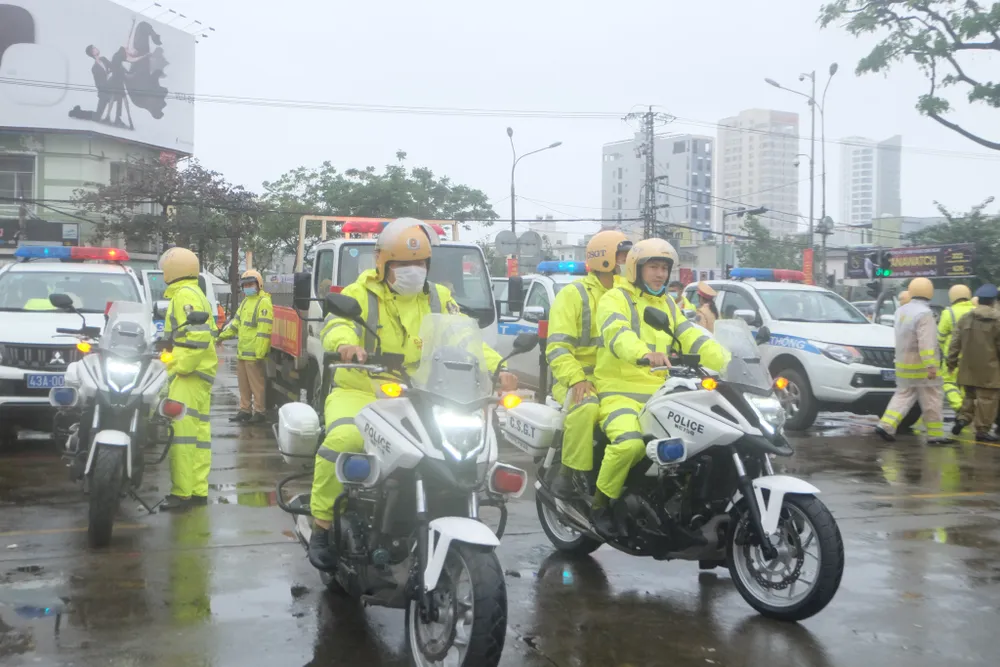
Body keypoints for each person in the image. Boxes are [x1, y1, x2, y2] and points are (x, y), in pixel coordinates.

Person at [308, 218, 518, 569]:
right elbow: (338, 324)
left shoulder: (439, 297)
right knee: (344, 439)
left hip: (421, 393)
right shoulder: (358, 293)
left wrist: (498, 370)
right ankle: (322, 525)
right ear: (383, 263)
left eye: (420, 263)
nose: (413, 271)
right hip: (363, 389)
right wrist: (346, 345)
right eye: (403, 264)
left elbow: (466, 340)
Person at [592, 239, 728, 536]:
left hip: (661, 389)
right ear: (635, 269)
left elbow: (690, 333)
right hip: (619, 390)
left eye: (665, 268)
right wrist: (643, 353)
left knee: (699, 442)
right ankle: (601, 504)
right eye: (653, 267)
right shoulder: (615, 299)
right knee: (629, 444)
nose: (660, 275)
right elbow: (617, 333)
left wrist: (726, 359)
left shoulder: (667, 302)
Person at [546, 230, 632, 499]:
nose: (628, 261)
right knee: (587, 406)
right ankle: (568, 474)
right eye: (622, 256)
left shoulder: (628, 293)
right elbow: (557, 346)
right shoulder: (574, 294)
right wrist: (576, 379)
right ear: (605, 259)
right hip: (577, 379)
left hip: (618, 379)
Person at [159, 247, 219, 510]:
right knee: (198, 437)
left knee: (181, 436)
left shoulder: (184, 294)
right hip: (200, 376)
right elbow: (209, 331)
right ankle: (197, 491)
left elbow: (196, 336)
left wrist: (177, 367)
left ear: (174, 269)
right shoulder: (197, 293)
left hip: (188, 375)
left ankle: (182, 493)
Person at [874, 277, 951, 445]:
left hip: (902, 364)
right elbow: (927, 342)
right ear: (929, 292)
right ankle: (935, 435)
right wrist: (931, 365)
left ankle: (886, 425)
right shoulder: (924, 313)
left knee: (904, 394)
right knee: (932, 397)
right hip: (921, 366)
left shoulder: (901, 311)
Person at [218, 270, 273, 424]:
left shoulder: (263, 302)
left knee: (257, 385)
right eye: (245, 285)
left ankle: (260, 411)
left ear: (259, 284)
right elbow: (235, 324)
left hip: (254, 353)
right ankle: (245, 410)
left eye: (251, 284)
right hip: (243, 352)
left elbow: (264, 329)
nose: (248, 287)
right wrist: (220, 336)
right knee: (243, 385)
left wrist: (260, 352)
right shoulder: (245, 302)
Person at [948, 284, 1000, 442]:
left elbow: (954, 343)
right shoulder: (997, 320)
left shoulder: (966, 318)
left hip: (968, 368)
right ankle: (982, 431)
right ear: (993, 301)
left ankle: (963, 419)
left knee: (969, 396)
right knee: (987, 400)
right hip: (990, 369)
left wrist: (952, 362)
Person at [938, 284, 975, 413]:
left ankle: (959, 406)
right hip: (973, 357)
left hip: (952, 357)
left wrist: (944, 351)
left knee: (948, 383)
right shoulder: (976, 310)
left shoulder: (948, 313)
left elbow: (941, 337)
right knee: (967, 386)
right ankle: (968, 411)